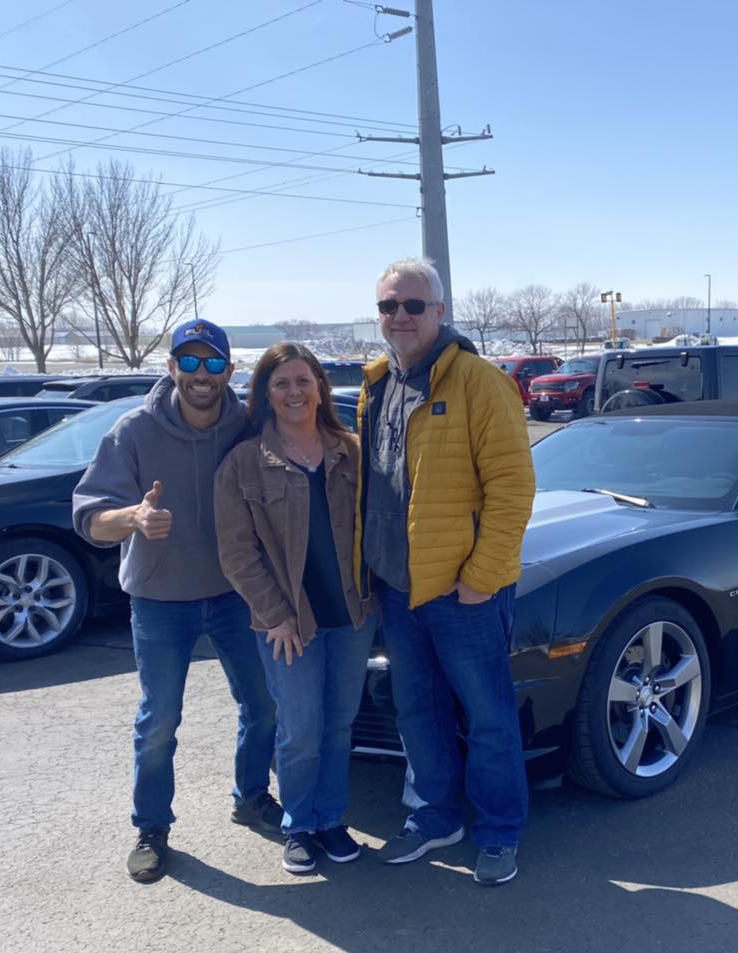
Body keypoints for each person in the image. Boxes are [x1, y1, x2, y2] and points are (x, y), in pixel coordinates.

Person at [73, 319, 280, 884]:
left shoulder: (246, 425)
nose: (200, 374)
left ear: (229, 372)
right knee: (160, 719)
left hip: (236, 593)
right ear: (171, 368)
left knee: (263, 705)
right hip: (161, 599)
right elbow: (90, 518)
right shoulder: (133, 431)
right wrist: (133, 517)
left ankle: (252, 797)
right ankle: (152, 827)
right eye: (188, 362)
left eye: (212, 363)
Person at [356, 257, 536, 886]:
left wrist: (481, 577)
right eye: (388, 306)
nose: (399, 317)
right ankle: (435, 817)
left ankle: (499, 831)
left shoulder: (480, 382)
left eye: (413, 306)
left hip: (463, 591)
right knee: (417, 710)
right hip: (397, 587)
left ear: (439, 311)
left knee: (487, 715)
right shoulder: (378, 384)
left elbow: (513, 487)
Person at [215, 343, 377, 876]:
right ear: (265, 394)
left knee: (339, 725)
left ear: (320, 389)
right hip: (289, 624)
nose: (294, 392)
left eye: (304, 381)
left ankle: (331, 820)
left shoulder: (350, 451)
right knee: (300, 729)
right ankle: (299, 826)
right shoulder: (244, 463)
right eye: (281, 383)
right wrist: (275, 614)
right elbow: (237, 554)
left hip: (351, 616)